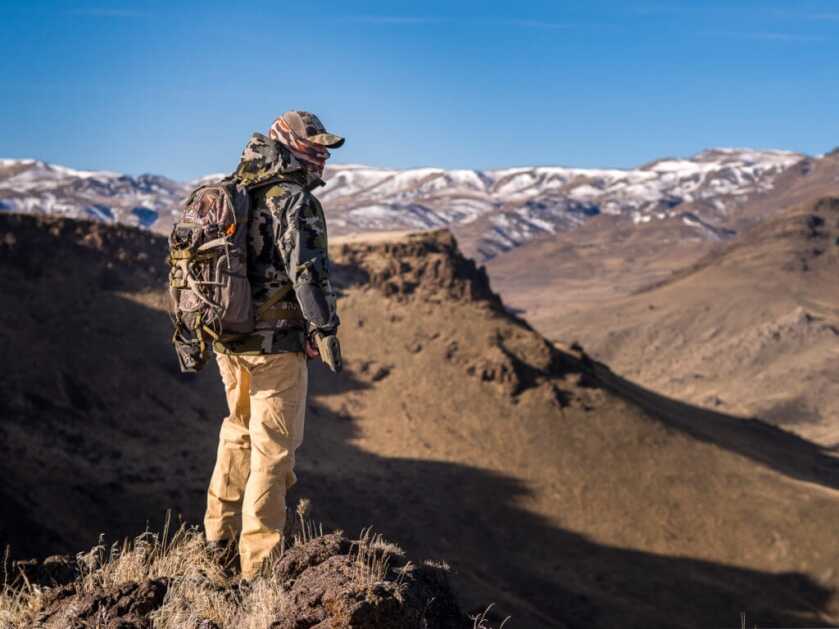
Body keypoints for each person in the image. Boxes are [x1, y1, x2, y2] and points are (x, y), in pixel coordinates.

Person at [203, 111, 344, 580]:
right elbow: (308, 274)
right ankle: (258, 566)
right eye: (314, 147)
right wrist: (324, 330)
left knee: (237, 431)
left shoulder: (233, 189)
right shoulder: (294, 200)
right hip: (275, 347)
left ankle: (217, 540)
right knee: (274, 451)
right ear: (289, 144)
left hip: (229, 340)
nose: (322, 156)